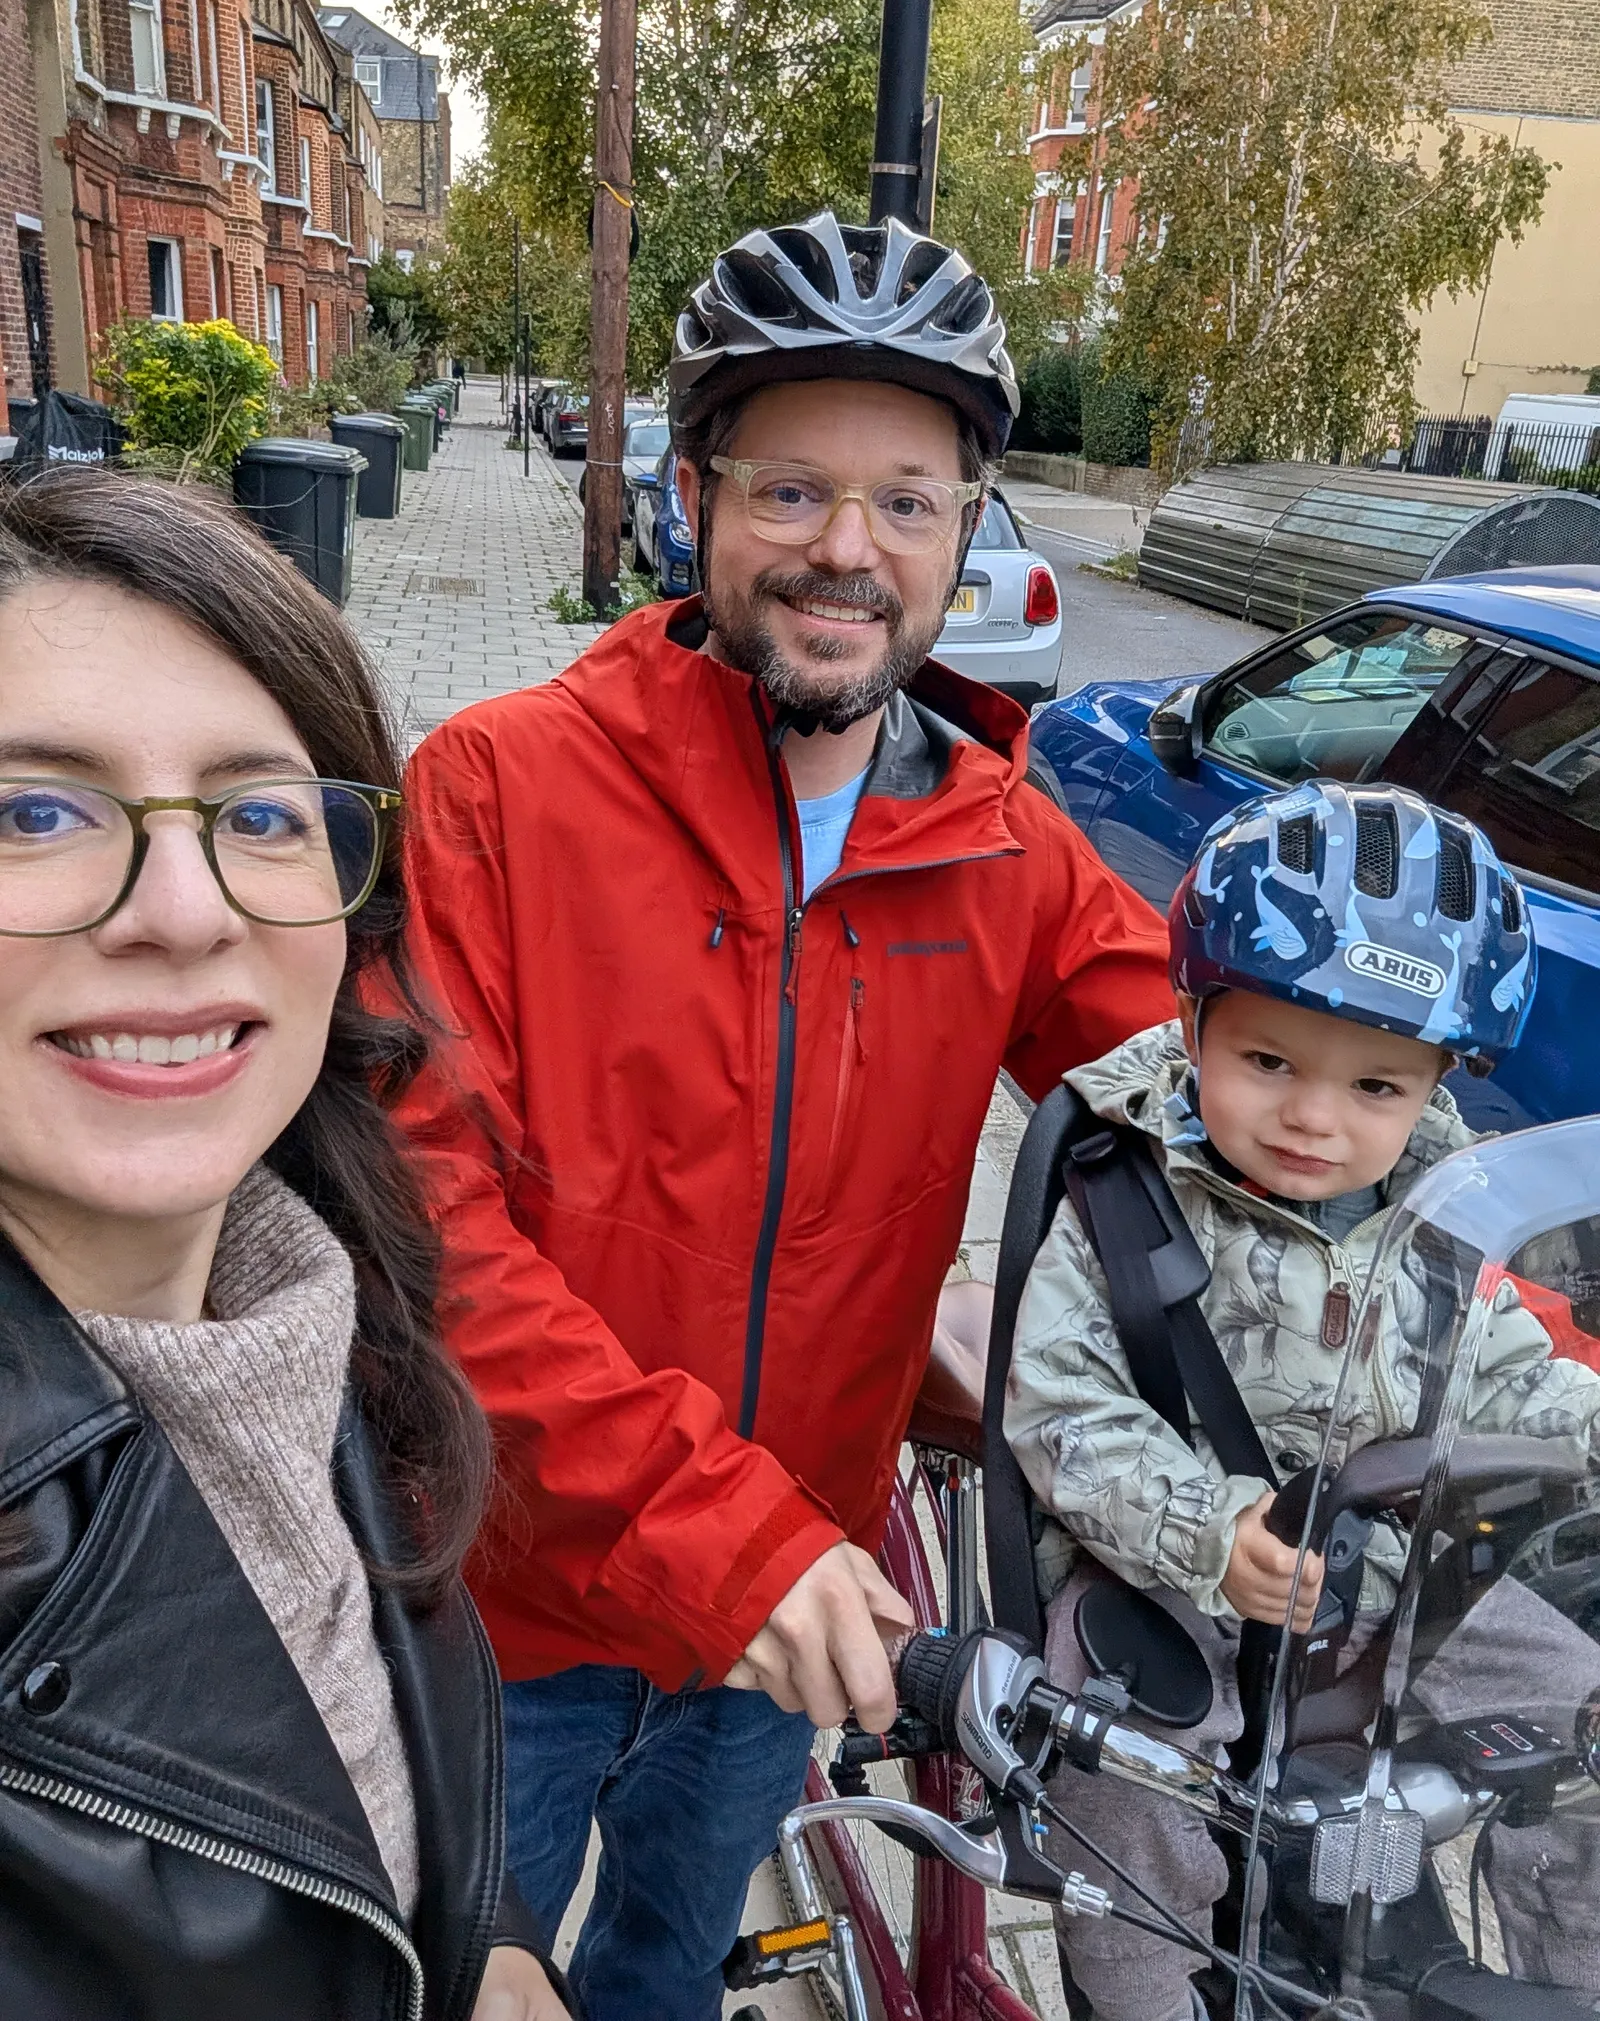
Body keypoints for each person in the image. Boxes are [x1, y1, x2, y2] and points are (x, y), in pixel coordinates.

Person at [397, 209, 1177, 2018]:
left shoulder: (1005, 842)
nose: (850, 548)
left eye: (908, 500)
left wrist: (1528, 1372)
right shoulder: (497, 789)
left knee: (668, 1967)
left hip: (786, 1623)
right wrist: (735, 1538)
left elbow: (1250, 1116)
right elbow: (427, 1236)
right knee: (455, 1974)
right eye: (793, 489)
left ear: (967, 528)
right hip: (509, 1601)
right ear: (693, 496)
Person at [0, 469, 565, 2021]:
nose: (182, 910)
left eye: (259, 812)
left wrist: (487, 1933)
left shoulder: (315, 1303)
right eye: (34, 810)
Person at [1005, 779, 1600, 2021]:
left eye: (1377, 1088)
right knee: (1125, 1792)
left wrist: (1585, 1432)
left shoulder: (1438, 1223)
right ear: (1191, 1020)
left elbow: (1502, 1375)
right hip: (1165, 1580)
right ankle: (1144, 1997)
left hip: (1394, 1585)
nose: (1315, 1119)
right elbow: (1060, 1411)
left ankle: (1573, 1970)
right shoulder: (1121, 1195)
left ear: (1438, 1081)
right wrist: (1209, 1530)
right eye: (1268, 1060)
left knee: (1585, 1724)